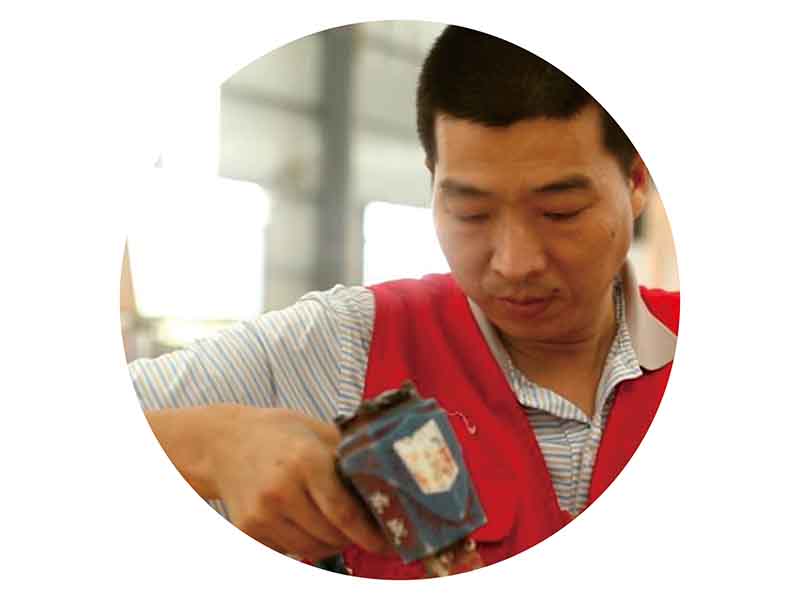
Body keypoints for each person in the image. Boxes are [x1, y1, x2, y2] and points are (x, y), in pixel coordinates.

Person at [129, 25, 679, 579]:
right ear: (433, 184)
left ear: (636, 181)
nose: (515, 262)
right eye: (471, 213)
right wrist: (211, 444)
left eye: (560, 213)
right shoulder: (349, 345)